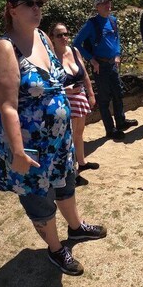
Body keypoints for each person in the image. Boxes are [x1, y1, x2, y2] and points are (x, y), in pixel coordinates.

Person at [0, 0, 106, 276]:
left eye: (39, 3)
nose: (37, 8)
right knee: (39, 198)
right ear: (13, 10)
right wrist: (17, 151)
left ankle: (75, 228)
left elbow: (51, 79)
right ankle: (55, 249)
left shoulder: (41, 36)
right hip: (29, 146)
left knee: (65, 183)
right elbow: (7, 106)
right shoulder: (6, 48)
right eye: (29, 4)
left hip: (57, 140)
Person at [73, 0, 137, 141]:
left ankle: (120, 122)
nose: (108, 5)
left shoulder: (112, 20)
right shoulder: (92, 24)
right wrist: (91, 60)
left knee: (118, 93)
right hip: (100, 66)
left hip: (112, 64)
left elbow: (116, 39)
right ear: (97, 6)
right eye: (104, 3)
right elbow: (76, 44)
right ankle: (110, 129)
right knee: (104, 98)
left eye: (109, 2)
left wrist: (117, 54)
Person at [49, 23, 98, 177]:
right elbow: (48, 86)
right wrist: (66, 90)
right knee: (68, 137)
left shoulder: (74, 51)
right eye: (59, 35)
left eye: (66, 34)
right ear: (52, 38)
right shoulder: (50, 58)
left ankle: (81, 162)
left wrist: (91, 94)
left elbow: (84, 75)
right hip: (64, 102)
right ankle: (72, 173)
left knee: (79, 133)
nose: (64, 37)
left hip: (80, 99)